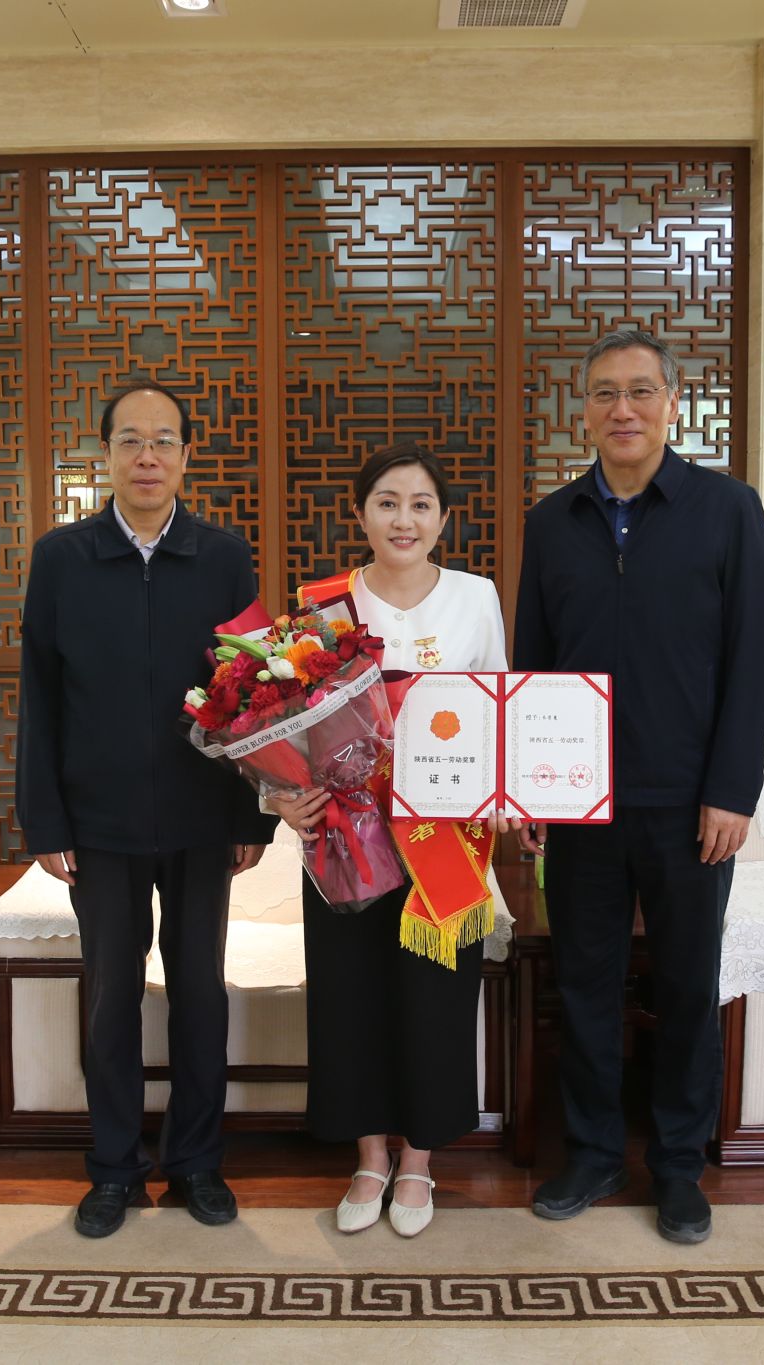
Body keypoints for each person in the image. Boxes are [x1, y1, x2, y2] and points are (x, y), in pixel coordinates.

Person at [514, 329, 764, 1245]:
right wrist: (530, 788)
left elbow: (754, 657)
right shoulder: (552, 521)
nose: (620, 408)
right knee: (584, 984)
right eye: (603, 393)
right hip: (579, 801)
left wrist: (733, 790)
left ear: (672, 402)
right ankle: (592, 1154)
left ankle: (676, 1166)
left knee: (687, 985)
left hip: (690, 804)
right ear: (583, 411)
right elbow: (534, 662)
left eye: (638, 391)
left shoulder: (727, 510)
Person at [17, 379, 276, 1239]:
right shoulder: (62, 558)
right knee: (111, 997)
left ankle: (197, 1161)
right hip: (100, 823)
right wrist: (46, 821)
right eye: (130, 440)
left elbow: (254, 691)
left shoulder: (224, 556)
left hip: (203, 816)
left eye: (164, 440)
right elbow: (40, 696)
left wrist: (252, 815)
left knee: (200, 992)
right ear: (106, 455)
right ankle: (115, 1168)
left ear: (187, 456)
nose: (147, 456)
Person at [269, 441, 510, 1239]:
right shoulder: (322, 606)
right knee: (351, 993)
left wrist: (508, 796)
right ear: (361, 513)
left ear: (443, 518)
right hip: (346, 834)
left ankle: (418, 1159)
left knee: (435, 994)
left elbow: (499, 708)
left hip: (445, 833)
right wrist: (279, 794)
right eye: (387, 502)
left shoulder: (476, 596)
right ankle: (369, 1156)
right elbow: (286, 725)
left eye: (420, 504)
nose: (404, 519)